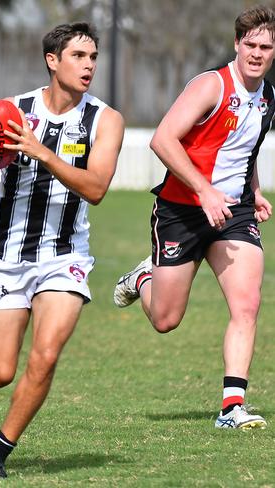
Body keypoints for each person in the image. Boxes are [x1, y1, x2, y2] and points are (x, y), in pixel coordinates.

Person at [0, 22, 124, 478]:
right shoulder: (13, 109)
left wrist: (42, 152)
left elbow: (96, 188)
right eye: (78, 56)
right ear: (53, 60)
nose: (89, 65)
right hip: (7, 256)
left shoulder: (105, 120)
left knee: (47, 353)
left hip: (65, 256)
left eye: (93, 56)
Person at [113, 5, 275, 430]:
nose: (258, 53)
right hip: (182, 210)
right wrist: (203, 191)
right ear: (237, 45)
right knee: (166, 320)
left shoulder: (268, 96)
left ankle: (231, 408)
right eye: (251, 45)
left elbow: (245, 148)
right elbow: (162, 139)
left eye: (266, 47)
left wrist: (253, 192)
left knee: (247, 304)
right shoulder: (211, 86)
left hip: (233, 212)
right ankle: (142, 279)